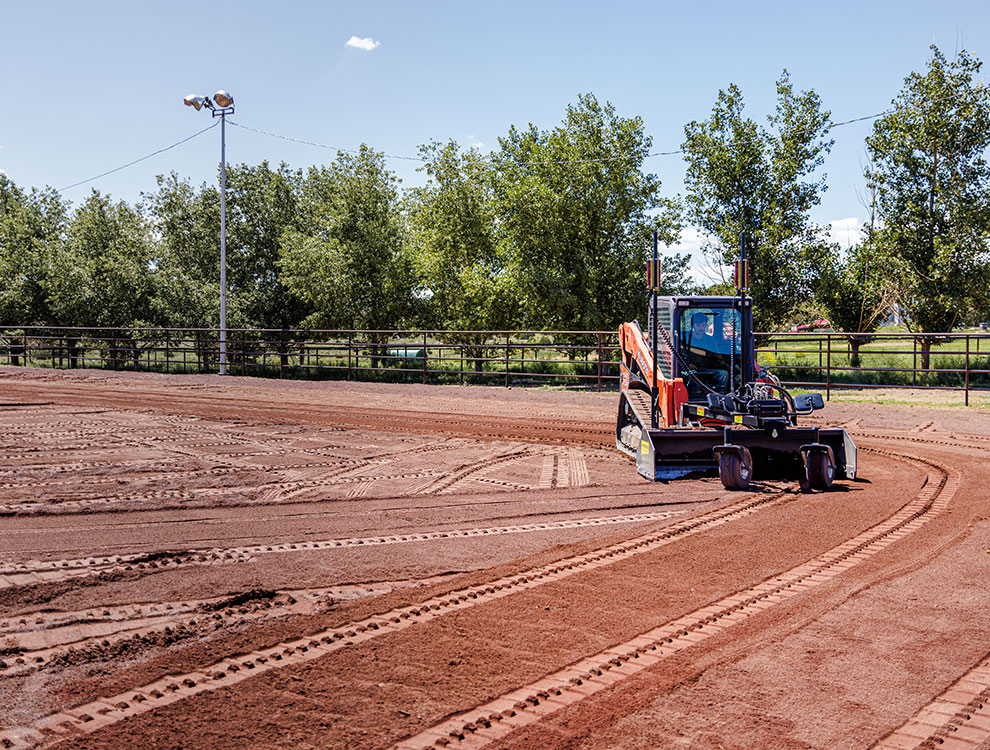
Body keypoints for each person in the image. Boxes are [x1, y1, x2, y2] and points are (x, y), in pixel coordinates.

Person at [686, 313, 730, 392]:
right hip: (690, 370)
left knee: (724, 374)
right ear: (693, 325)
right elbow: (679, 356)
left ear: (706, 325)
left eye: (703, 325)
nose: (701, 328)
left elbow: (717, 356)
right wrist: (687, 365)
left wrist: (724, 364)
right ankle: (694, 393)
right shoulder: (686, 339)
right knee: (692, 374)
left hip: (707, 369)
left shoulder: (710, 340)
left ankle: (720, 394)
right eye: (698, 325)